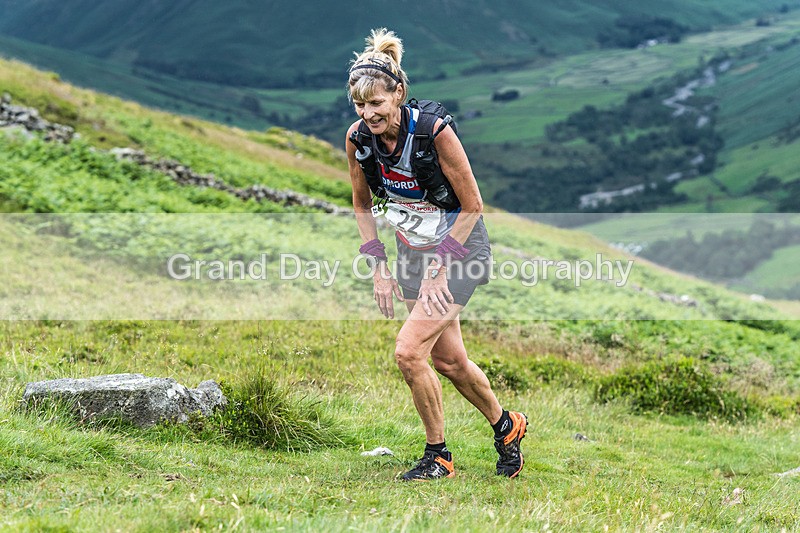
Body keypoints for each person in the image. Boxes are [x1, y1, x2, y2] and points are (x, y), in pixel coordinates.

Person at [345, 28, 527, 481]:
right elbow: (362, 204)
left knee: (409, 353)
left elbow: (473, 205)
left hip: (460, 251)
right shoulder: (359, 139)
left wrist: (439, 267)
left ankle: (438, 457)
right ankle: (507, 426)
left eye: (376, 103)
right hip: (411, 252)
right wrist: (378, 267)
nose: (368, 113)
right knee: (448, 361)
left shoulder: (433, 132)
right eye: (359, 105)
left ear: (398, 93)